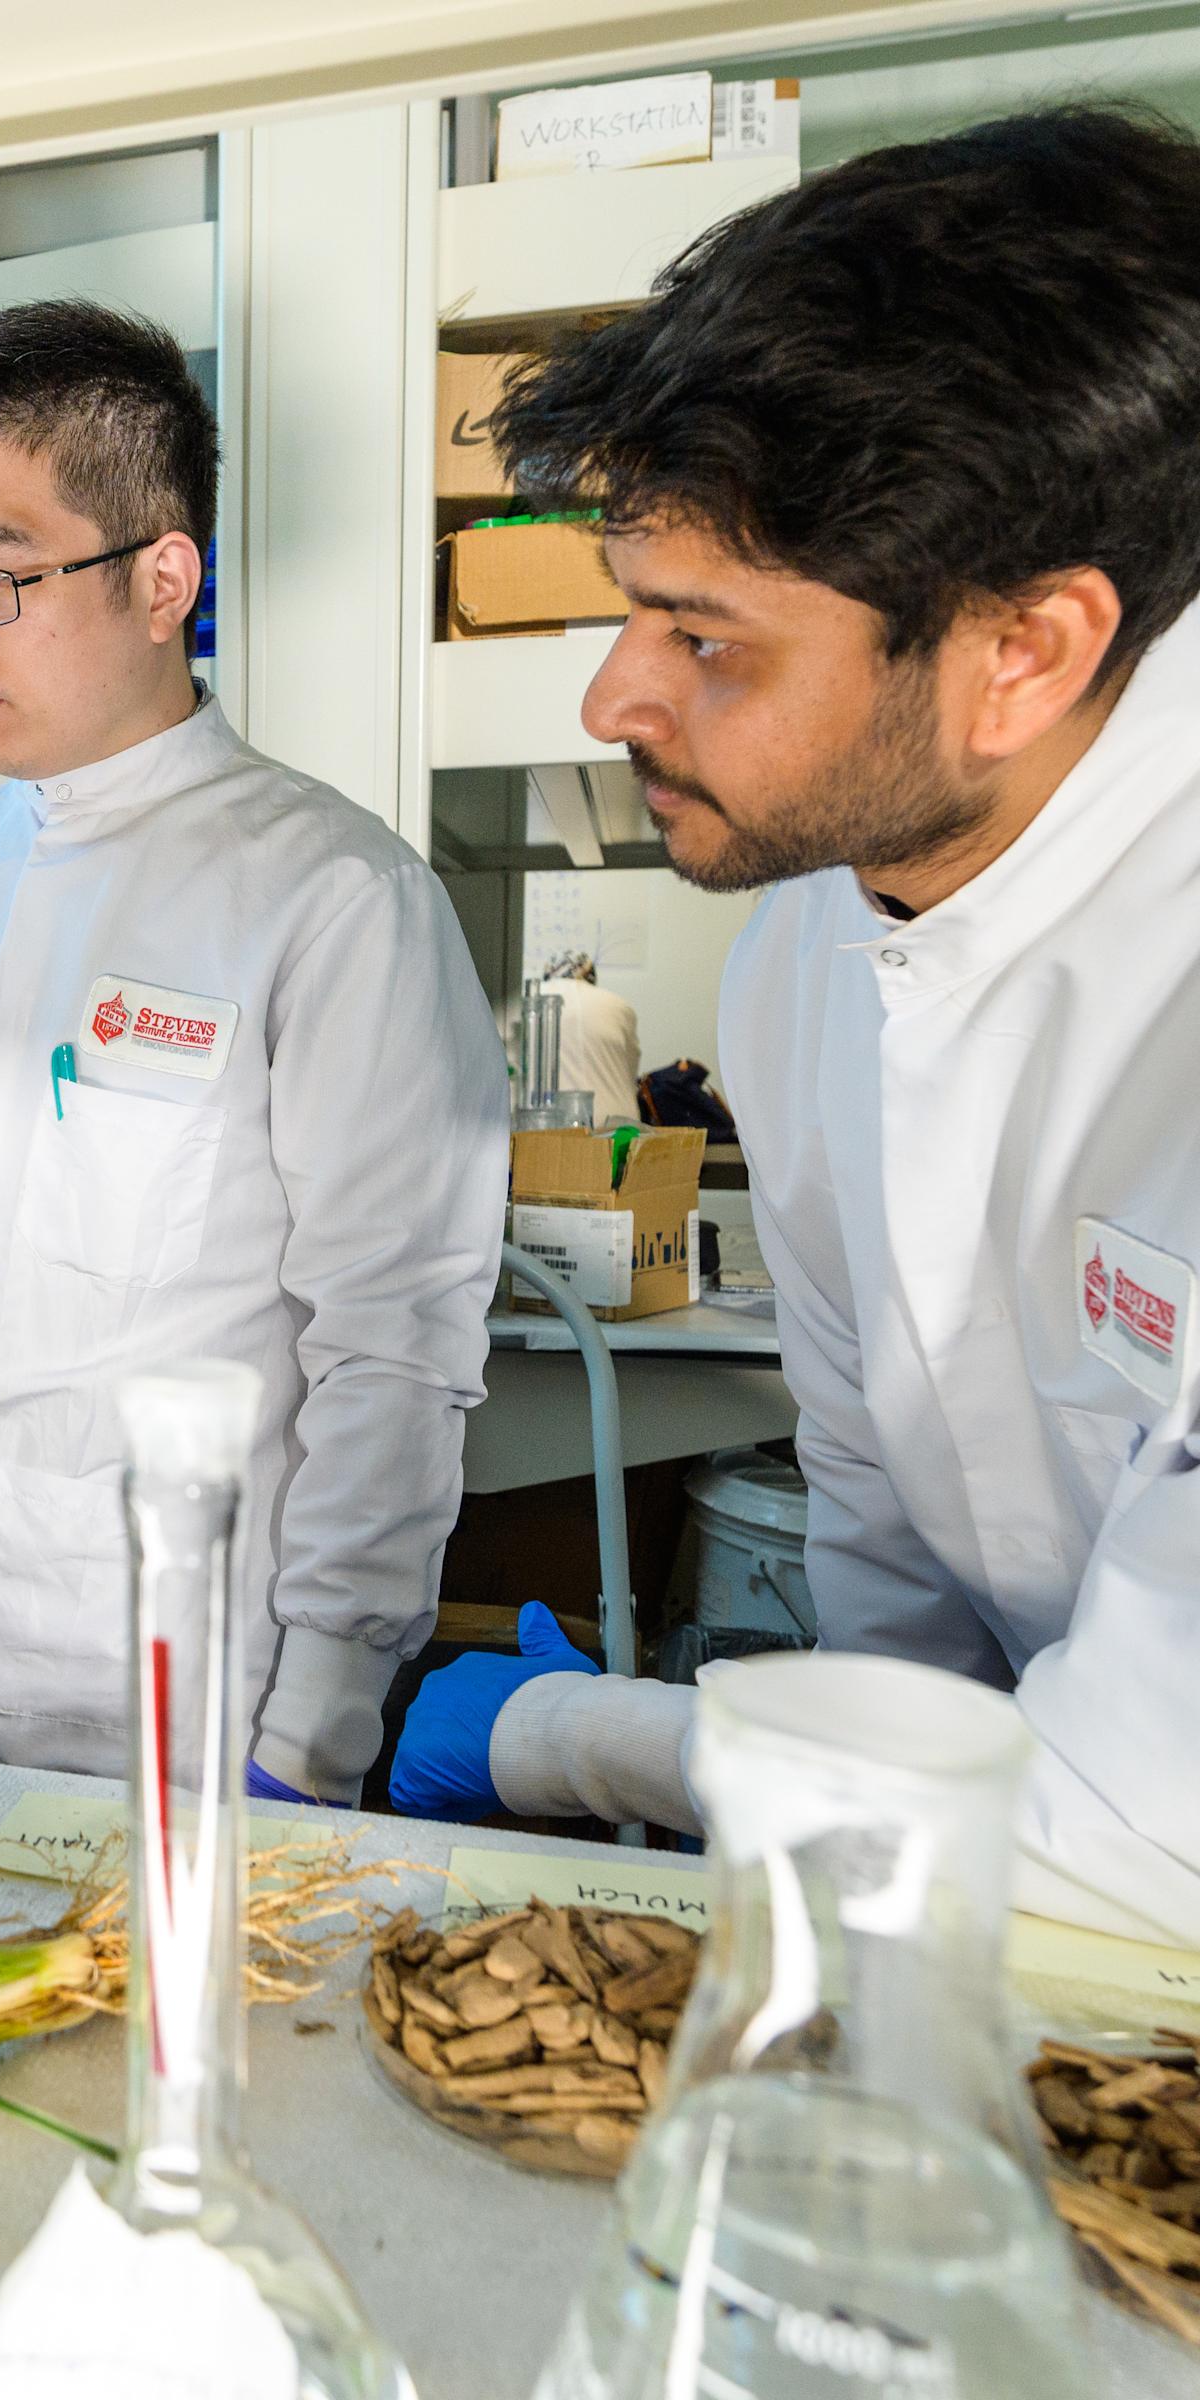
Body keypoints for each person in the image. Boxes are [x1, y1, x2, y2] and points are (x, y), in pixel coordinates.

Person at [387, 106, 1200, 1944]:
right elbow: (885, 1546)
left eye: (707, 639)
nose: (611, 695)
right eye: (624, 611)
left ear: (1029, 651)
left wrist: (582, 1737)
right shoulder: (808, 947)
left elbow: (1130, 1842)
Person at [0, 301, 508, 1802]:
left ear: (163, 579)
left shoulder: (332, 897)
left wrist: (320, 1721)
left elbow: (393, 1346)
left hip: (152, 1693)